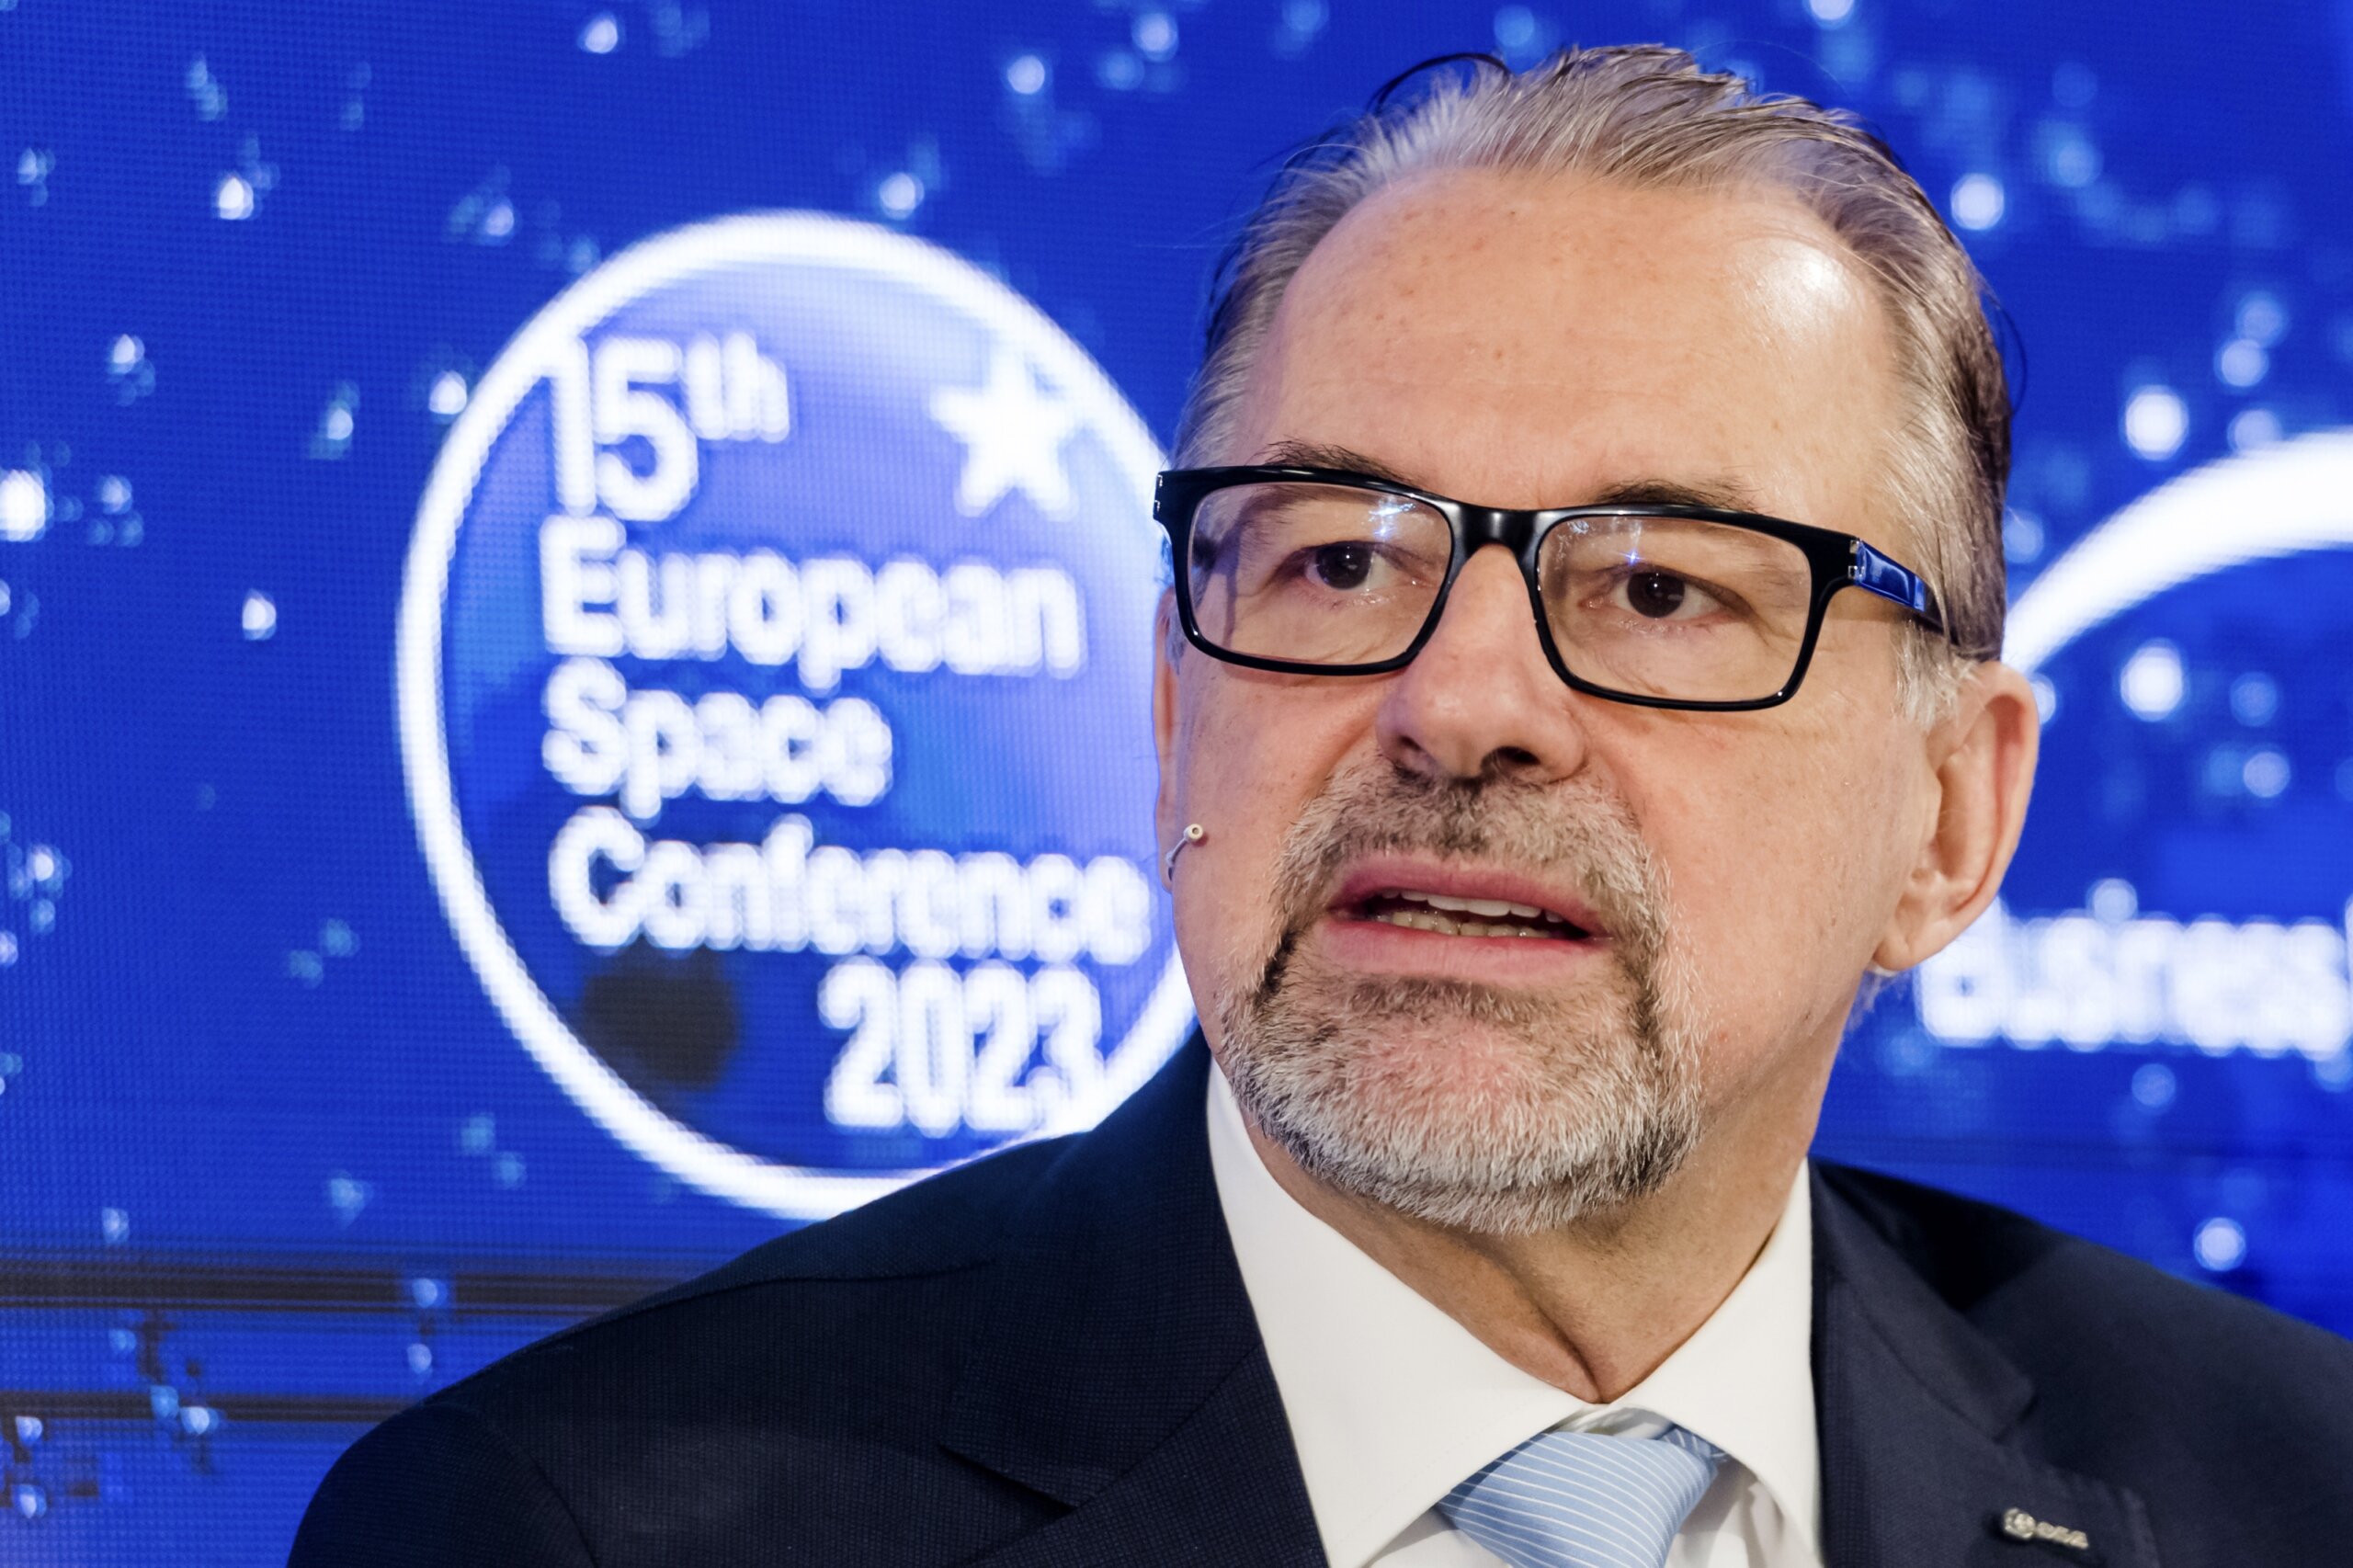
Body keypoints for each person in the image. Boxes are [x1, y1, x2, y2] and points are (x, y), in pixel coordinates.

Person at [291, 46, 2353, 1568]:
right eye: (1337, 562)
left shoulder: (2284, 1490)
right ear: (1173, 713)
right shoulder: (572, 1529)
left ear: (1952, 816)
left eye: (1657, 588)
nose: (1459, 705)